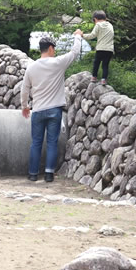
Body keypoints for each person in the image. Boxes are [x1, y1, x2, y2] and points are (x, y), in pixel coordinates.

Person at [21, 30, 83, 182]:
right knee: (52, 143)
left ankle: (33, 174)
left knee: (35, 143)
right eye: (53, 48)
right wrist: (77, 36)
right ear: (50, 48)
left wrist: (25, 106)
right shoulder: (58, 63)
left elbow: (24, 89)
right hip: (55, 110)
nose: (54, 51)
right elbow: (75, 52)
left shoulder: (31, 67)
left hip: (38, 110)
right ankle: (49, 174)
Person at [81, 11, 114, 84]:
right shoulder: (110, 25)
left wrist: (82, 35)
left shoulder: (98, 25)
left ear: (95, 19)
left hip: (100, 48)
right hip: (109, 50)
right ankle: (103, 80)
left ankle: (94, 77)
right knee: (105, 65)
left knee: (96, 63)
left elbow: (92, 35)